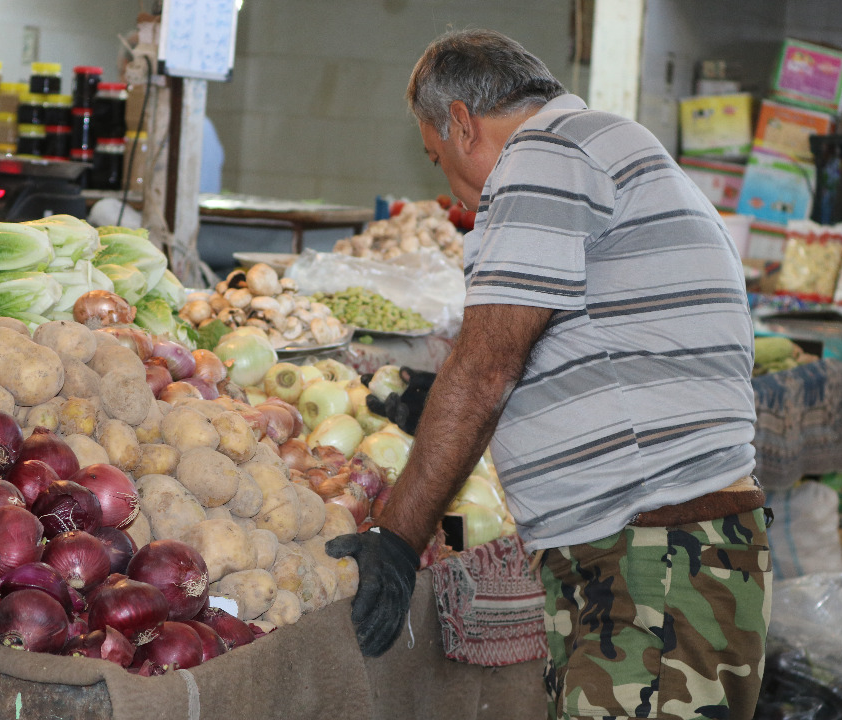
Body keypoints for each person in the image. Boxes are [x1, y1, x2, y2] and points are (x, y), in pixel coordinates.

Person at [326, 28, 771, 720]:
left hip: (652, 560)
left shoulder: (546, 156)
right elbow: (561, 341)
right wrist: (432, 401)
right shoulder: (601, 145)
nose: (455, 190)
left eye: (436, 157)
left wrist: (395, 539)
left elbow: (486, 368)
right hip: (658, 554)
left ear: (464, 123)